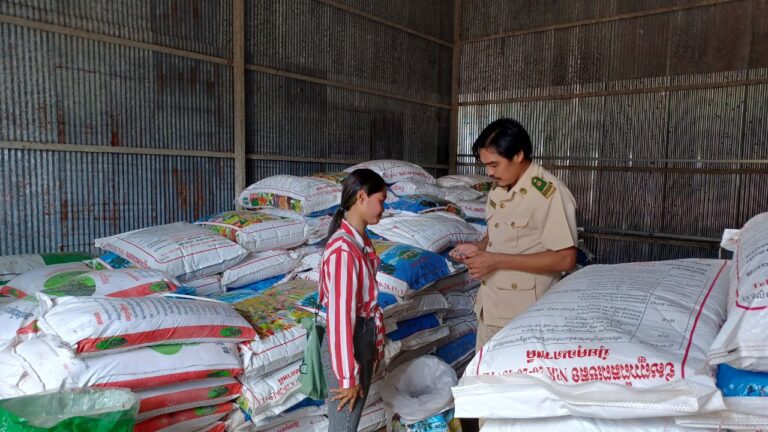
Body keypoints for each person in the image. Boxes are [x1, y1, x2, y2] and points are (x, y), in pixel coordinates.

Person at [451, 118, 578, 350]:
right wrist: (479, 247)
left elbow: (566, 259)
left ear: (518, 155)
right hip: (492, 308)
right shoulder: (501, 187)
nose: (489, 172)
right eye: (485, 165)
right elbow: (499, 232)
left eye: (494, 164)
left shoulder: (548, 194)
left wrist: (495, 260)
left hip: (524, 317)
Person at [318, 168, 387, 431]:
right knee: (343, 428)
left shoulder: (360, 242)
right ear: (362, 197)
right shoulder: (344, 249)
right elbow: (339, 319)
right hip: (348, 346)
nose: (383, 208)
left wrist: (375, 345)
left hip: (361, 339)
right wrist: (347, 377)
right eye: (381, 200)